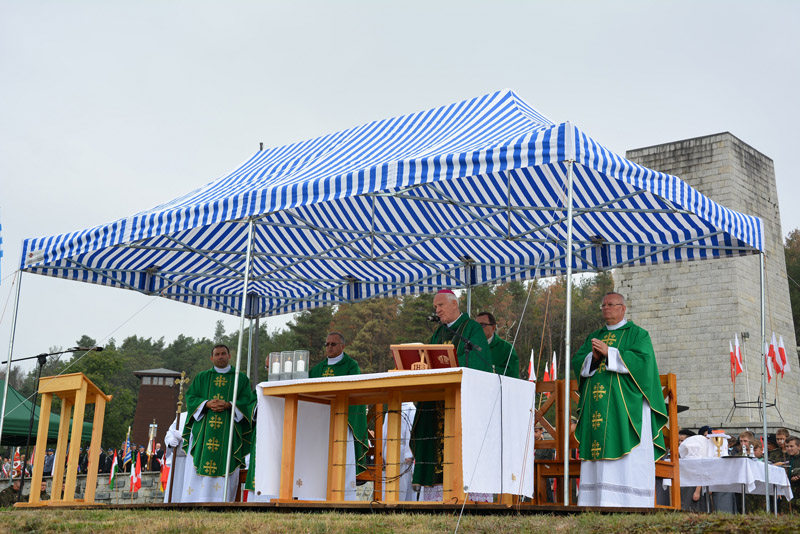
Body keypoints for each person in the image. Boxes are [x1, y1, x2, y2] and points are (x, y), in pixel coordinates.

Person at [570, 292, 668, 507]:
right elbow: (578, 361)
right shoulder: (594, 336)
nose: (606, 308)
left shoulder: (638, 334)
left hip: (626, 407)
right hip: (597, 406)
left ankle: (630, 501)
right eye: (603, 305)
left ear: (623, 308)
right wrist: (593, 358)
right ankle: (594, 501)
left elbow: (643, 362)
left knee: (627, 456)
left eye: (611, 304)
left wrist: (610, 353)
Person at [411, 289, 492, 500]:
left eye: (440, 305)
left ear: (454, 304)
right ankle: (437, 493)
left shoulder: (471, 328)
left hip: (463, 401)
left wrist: (452, 367)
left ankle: (468, 493)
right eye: (435, 307)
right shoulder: (439, 332)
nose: (437, 310)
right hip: (439, 397)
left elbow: (478, 361)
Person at [180, 343, 257, 502]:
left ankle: (223, 501)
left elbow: (248, 401)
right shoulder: (202, 377)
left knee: (227, 462)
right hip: (205, 431)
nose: (220, 356)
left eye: (223, 354)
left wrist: (230, 405)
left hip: (229, 430)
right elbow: (191, 398)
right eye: (217, 354)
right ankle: (197, 500)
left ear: (229, 356)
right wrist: (206, 404)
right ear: (212, 358)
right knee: (200, 463)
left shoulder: (240, 378)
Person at [309, 332, 369, 500]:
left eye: (333, 344)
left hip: (344, 420)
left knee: (344, 457)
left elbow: (354, 391)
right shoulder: (317, 369)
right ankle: (319, 494)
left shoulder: (351, 366)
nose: (329, 347)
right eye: (327, 344)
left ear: (343, 346)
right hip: (321, 421)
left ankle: (344, 495)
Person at [476, 311, 520, 378]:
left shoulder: (507, 349)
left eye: (482, 325)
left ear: (493, 328)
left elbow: (513, 373)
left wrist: (491, 368)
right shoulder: (468, 346)